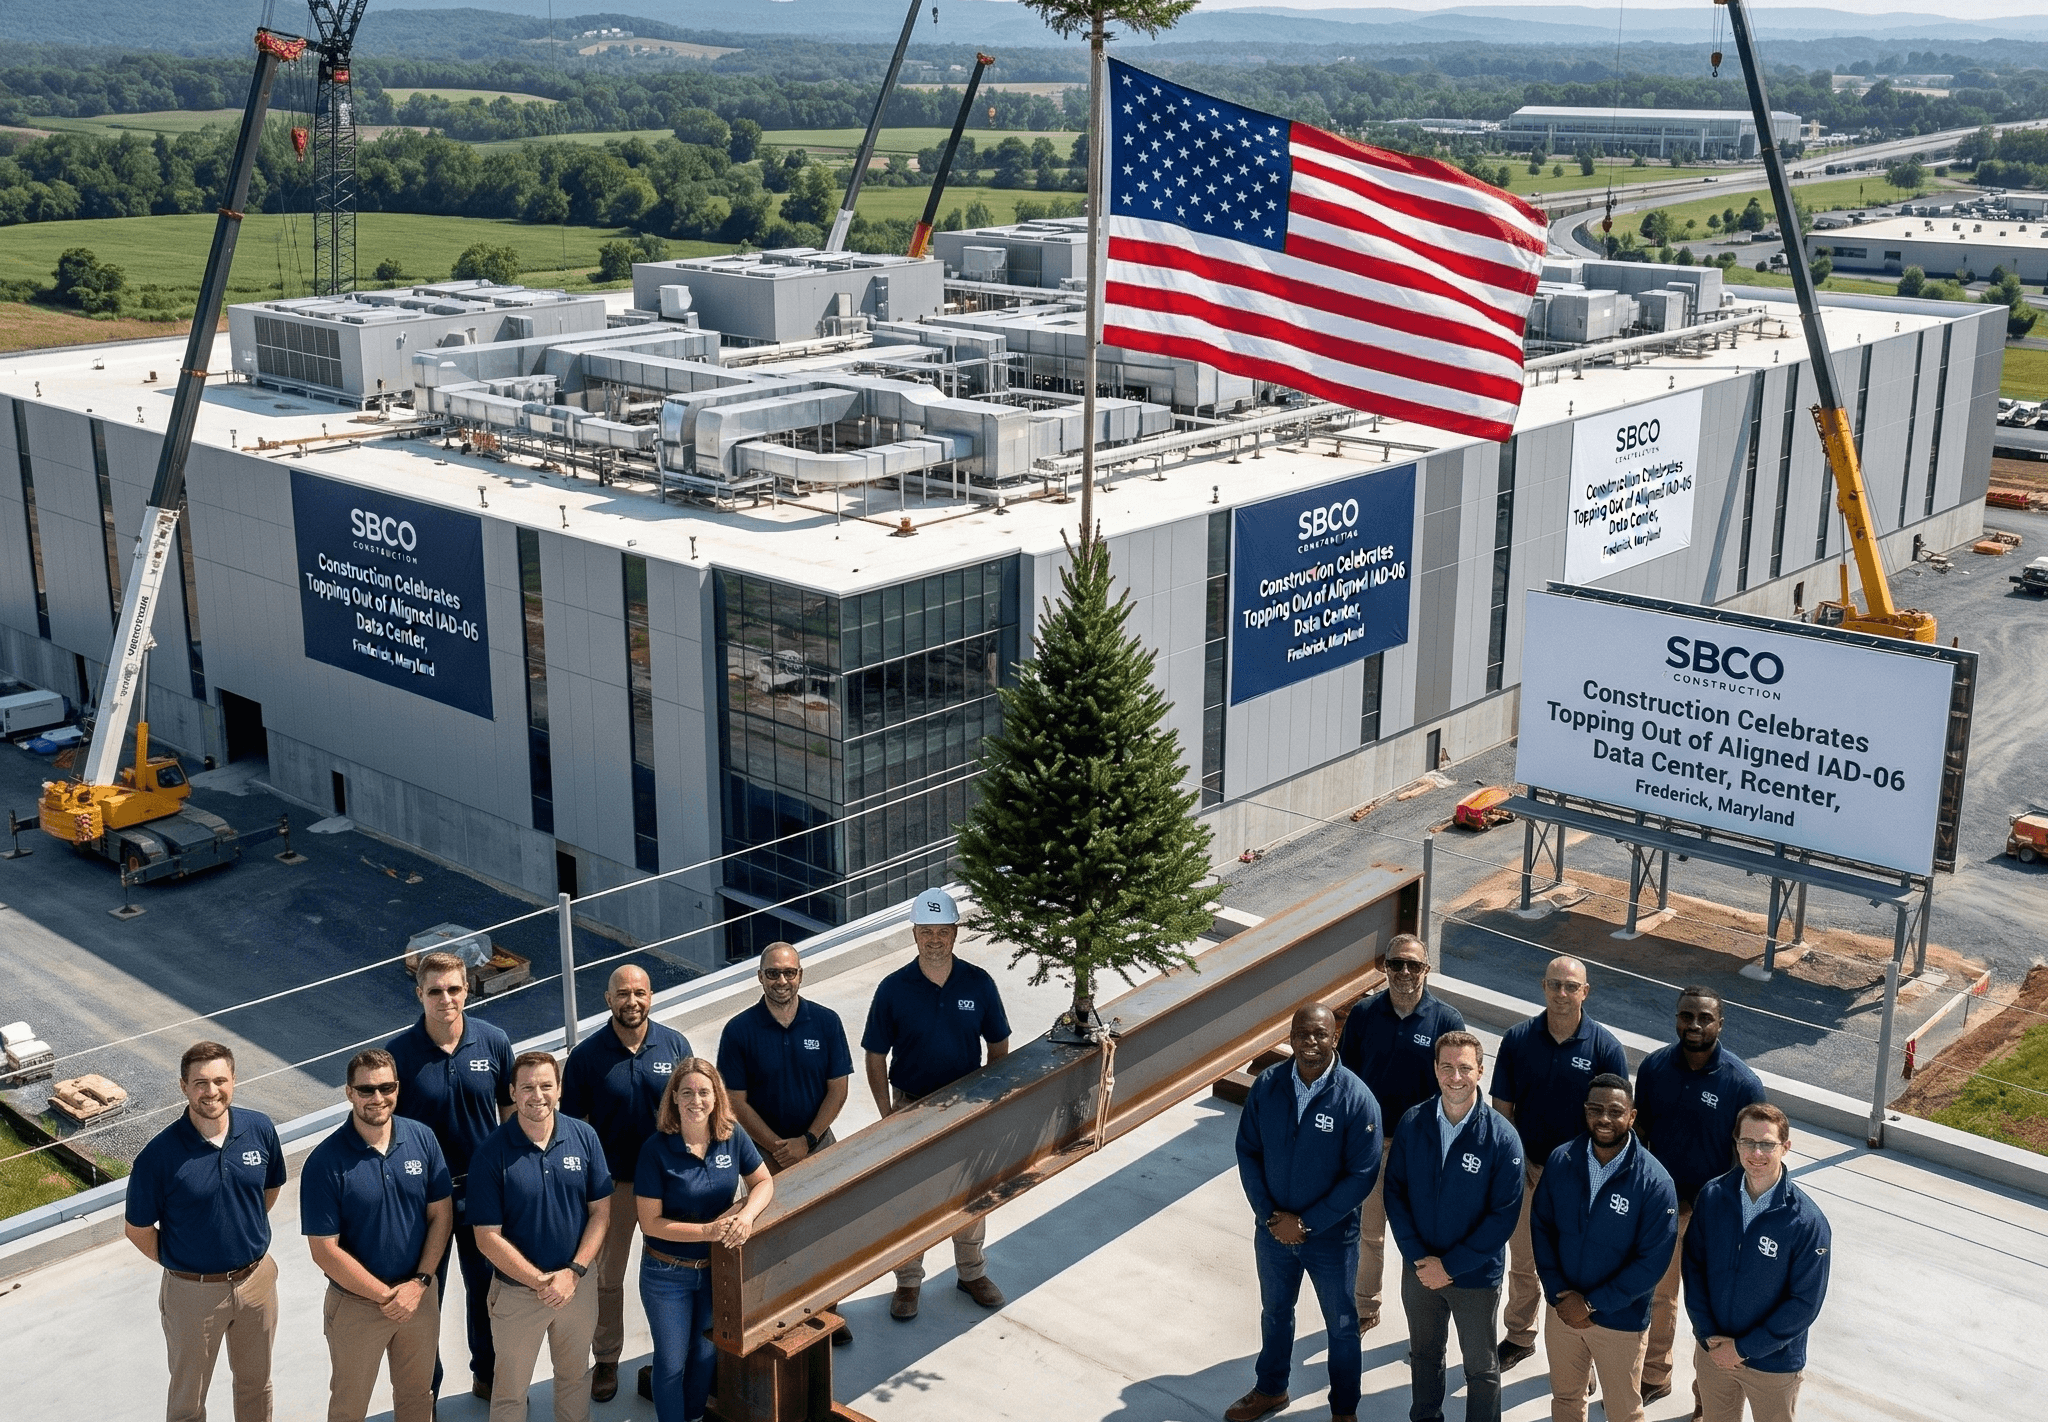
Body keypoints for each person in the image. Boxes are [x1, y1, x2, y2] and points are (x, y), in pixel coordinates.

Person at [1225, 1004, 1382, 1422]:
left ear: (1335, 1037)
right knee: (1275, 1313)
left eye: (1319, 1034)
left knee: (1342, 1325)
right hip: (1273, 1231)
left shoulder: (1357, 1099)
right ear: (1290, 1036)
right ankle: (1271, 1389)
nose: (1310, 1043)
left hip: (1331, 1238)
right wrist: (1269, 1216)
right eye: (1301, 1034)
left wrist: (1308, 1222)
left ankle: (1344, 1411)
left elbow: (1362, 1175)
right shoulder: (1268, 1085)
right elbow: (1249, 1151)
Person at [862, 888, 1012, 1320]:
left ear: (955, 933)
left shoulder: (978, 983)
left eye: (941, 931)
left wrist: (986, 1096)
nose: (933, 939)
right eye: (925, 931)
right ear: (914, 934)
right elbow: (875, 1054)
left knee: (971, 1192)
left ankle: (971, 1272)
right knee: (911, 1198)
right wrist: (886, 1114)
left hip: (965, 1107)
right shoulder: (893, 989)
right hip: (910, 1107)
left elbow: (998, 1042)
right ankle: (908, 1282)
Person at [124, 1041, 288, 1422]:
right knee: (188, 1401)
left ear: (234, 1081)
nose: (210, 1091)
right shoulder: (158, 1156)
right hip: (192, 1295)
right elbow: (138, 1229)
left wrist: (240, 1230)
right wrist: (183, 1259)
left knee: (256, 1385)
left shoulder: (259, 1128)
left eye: (219, 1080)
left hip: (257, 1282)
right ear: (183, 1086)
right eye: (199, 1082)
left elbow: (270, 1188)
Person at [387, 949, 516, 1401]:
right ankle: (427, 1393)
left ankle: (489, 1376)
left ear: (467, 990)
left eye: (455, 989)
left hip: (482, 1196)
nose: (446, 999)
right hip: (426, 1203)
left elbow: (510, 1116)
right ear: (419, 994)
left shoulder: (495, 1041)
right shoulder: (398, 1056)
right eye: (436, 991)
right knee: (425, 1302)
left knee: (487, 1292)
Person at [560, 964, 691, 1402]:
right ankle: (607, 1360)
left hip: (668, 1185)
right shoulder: (586, 1057)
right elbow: (573, 1127)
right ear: (607, 999)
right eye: (622, 993)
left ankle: (674, 1355)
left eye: (639, 992)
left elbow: (693, 1112)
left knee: (674, 1273)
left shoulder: (675, 1046)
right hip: (612, 1187)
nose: (631, 1001)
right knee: (607, 1278)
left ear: (651, 995)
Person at [301, 1048, 455, 1422]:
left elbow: (441, 1216)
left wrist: (419, 1284)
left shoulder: (422, 1139)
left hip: (417, 1296)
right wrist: (386, 1296)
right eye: (366, 1090)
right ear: (349, 1093)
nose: (377, 1098)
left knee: (418, 1396)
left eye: (386, 1087)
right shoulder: (325, 1162)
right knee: (349, 1406)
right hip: (357, 1305)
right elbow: (324, 1250)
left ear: (397, 1088)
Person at [1489, 955, 1628, 1370]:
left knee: (1574, 1269)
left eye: (1572, 986)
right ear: (1543, 987)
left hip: (1579, 1181)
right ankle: (1520, 1334)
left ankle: (1576, 1358)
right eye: (1555, 985)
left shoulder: (1606, 1048)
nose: (1562, 994)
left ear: (1586, 991)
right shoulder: (1518, 1039)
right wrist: (1511, 1167)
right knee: (1524, 1260)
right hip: (1527, 1172)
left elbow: (1616, 1121)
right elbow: (1501, 1111)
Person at [1634, 986, 1767, 1404]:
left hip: (1716, 1217)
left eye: (1704, 1017)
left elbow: (1750, 1154)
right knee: (1660, 1296)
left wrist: (1705, 1202)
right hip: (1664, 1210)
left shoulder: (1742, 1084)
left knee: (1713, 1311)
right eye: (1686, 1015)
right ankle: (1655, 1375)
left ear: (1720, 1023)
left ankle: (1707, 1400)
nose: (1694, 1025)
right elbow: (1640, 1139)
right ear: (1676, 1018)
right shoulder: (1655, 1069)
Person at [716, 942, 853, 1341]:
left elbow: (838, 1088)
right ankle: (782, 1316)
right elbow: (735, 1101)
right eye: (772, 973)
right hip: (762, 1154)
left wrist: (807, 1141)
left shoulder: (826, 1022)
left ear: (800, 976)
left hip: (818, 1144)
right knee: (775, 1238)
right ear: (760, 977)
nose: (781, 981)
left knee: (826, 1230)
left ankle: (828, 1311)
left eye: (788, 973)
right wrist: (778, 1146)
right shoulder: (739, 1030)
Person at [1384, 1029, 1523, 1422]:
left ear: (1481, 1071)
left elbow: (1503, 1217)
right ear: (1435, 1069)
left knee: (1480, 1368)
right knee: (1424, 1355)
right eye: (1447, 1067)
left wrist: (1449, 1266)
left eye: (1465, 1068)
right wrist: (1418, 1258)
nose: (1455, 1077)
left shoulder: (1503, 1139)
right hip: (1420, 1272)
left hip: (1475, 1279)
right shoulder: (1414, 1123)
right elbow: (1395, 1192)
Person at [468, 1051, 613, 1422]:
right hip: (518, 1294)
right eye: (528, 1087)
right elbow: (486, 1237)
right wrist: (542, 1281)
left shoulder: (584, 1137)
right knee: (510, 1392)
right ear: (513, 1092)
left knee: (574, 1377)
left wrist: (574, 1272)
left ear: (560, 1090)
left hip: (577, 1286)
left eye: (546, 1085)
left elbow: (600, 1212)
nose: (538, 1095)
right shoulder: (490, 1154)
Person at [1530, 1074, 1680, 1422]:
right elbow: (1542, 1227)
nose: (1604, 1119)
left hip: (1620, 1322)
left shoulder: (1655, 1182)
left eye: (1615, 1111)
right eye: (1595, 1109)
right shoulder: (1561, 1160)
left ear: (1632, 1116)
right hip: (1563, 1310)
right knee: (1566, 1399)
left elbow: (1652, 1262)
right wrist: (1558, 1294)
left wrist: (1592, 1303)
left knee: (1623, 1412)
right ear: (1585, 1111)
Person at [1337, 932, 1465, 1333]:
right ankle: (1364, 1309)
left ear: (1426, 969)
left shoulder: (1447, 1021)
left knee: (1424, 1242)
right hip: (1372, 1145)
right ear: (1383, 967)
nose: (1404, 972)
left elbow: (1459, 1085)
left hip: (1422, 1152)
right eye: (1396, 964)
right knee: (1369, 1234)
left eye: (1414, 964)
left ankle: (1426, 1325)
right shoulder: (1363, 1014)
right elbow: (1345, 1079)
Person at [635, 1057, 775, 1422]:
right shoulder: (655, 1149)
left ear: (716, 1097)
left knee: (704, 1354)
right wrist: (708, 1231)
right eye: (687, 1093)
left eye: (703, 1092)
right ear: (674, 1100)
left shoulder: (732, 1135)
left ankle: (695, 1417)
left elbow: (764, 1182)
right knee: (671, 1362)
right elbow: (650, 1223)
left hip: (716, 1270)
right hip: (666, 1273)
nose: (695, 1100)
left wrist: (745, 1216)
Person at [1683, 1104, 1831, 1422]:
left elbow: (1804, 1303)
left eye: (1767, 1144)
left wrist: (1743, 1348)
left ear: (1785, 1148)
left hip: (1774, 1365)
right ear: (1736, 1144)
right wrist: (1708, 1335)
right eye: (1747, 1142)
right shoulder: (1712, 1197)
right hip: (1714, 1351)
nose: (1756, 1153)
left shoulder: (1807, 1222)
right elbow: (1694, 1268)